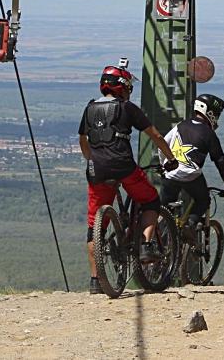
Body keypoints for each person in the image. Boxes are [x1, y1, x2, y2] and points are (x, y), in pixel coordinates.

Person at [79, 61, 177, 295]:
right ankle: (145, 245)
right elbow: (154, 134)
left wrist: (91, 158)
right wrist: (170, 157)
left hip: (96, 170)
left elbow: (83, 140)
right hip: (123, 167)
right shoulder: (127, 108)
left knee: (94, 226)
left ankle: (95, 281)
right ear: (122, 86)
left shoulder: (89, 108)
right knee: (151, 200)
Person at [160, 94, 224, 242]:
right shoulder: (209, 134)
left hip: (170, 175)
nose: (217, 118)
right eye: (217, 114)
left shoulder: (180, 125)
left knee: (164, 211)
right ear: (209, 113)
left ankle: (158, 247)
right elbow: (220, 162)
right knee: (203, 200)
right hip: (191, 176)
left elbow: (163, 144)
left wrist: (164, 166)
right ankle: (190, 225)